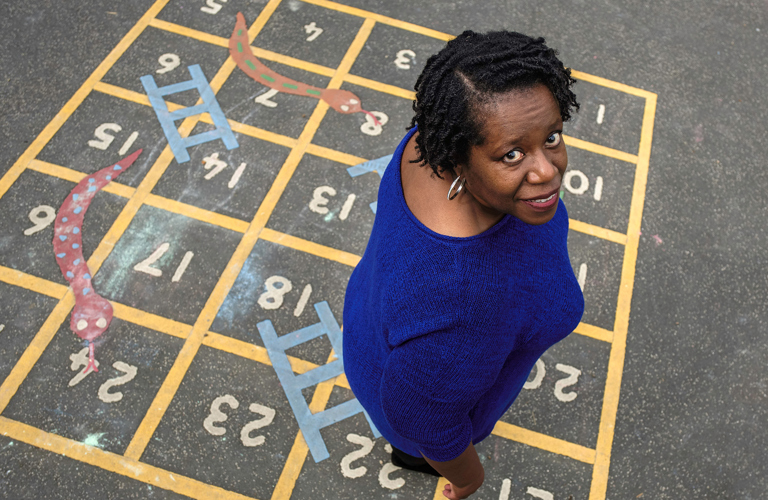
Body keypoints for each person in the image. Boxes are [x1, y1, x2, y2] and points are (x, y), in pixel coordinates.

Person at [342, 30, 584, 499]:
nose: (547, 170)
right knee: (417, 448)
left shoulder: (424, 146)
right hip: (397, 381)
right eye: (511, 154)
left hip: (371, 323)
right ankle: (413, 462)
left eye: (551, 136)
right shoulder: (470, 297)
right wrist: (468, 478)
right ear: (457, 158)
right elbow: (418, 414)